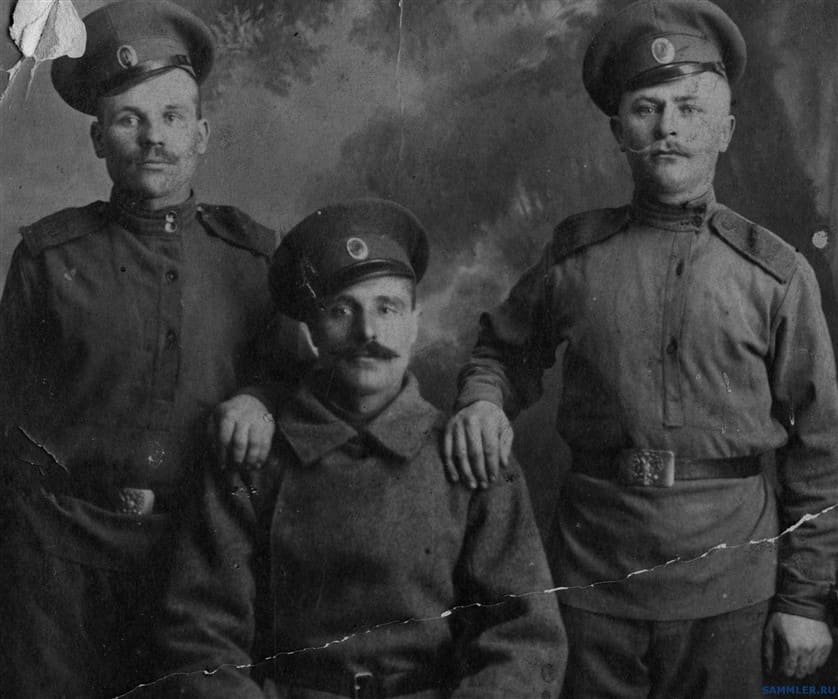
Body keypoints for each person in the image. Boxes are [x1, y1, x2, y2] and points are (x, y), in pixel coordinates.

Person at [444, 0, 838, 695]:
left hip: (729, 582)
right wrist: (481, 399)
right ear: (618, 131)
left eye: (689, 107)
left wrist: (805, 601)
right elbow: (501, 355)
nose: (670, 129)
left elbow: (821, 449)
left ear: (726, 129)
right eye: (647, 109)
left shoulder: (777, 275)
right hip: (594, 572)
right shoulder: (576, 255)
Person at [153, 199, 566, 698]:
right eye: (341, 310)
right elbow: (202, 638)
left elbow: (525, 638)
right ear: (310, 333)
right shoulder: (253, 457)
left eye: (386, 308)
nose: (368, 333)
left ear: (414, 322)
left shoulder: (468, 456)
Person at [0, 1, 292, 696]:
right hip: (59, 571)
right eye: (129, 119)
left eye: (171, 117)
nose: (152, 137)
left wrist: (261, 395)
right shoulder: (48, 257)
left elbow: (297, 379)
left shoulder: (253, 260)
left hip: (202, 563)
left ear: (202, 134)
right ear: (99, 140)